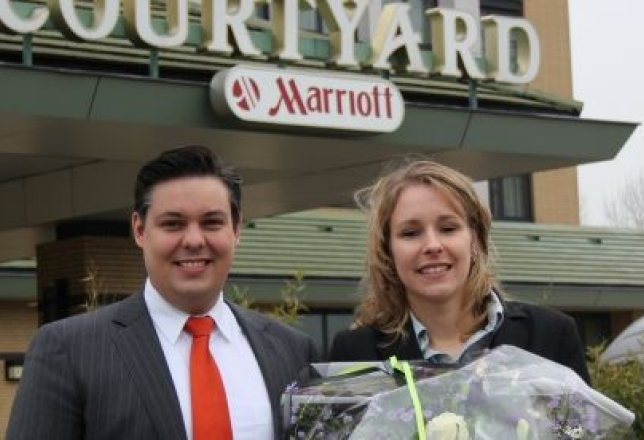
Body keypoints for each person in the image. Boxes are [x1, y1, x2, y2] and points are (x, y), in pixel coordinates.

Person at [7, 145, 318, 440]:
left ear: (236, 230)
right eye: (173, 224)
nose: (194, 240)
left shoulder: (292, 351)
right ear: (140, 230)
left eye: (211, 223)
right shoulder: (70, 350)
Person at [329, 159, 591, 383]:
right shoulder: (355, 352)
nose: (432, 245)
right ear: (388, 250)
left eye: (448, 228)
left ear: (475, 239)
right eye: (410, 233)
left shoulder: (551, 335)